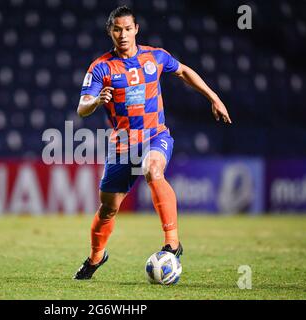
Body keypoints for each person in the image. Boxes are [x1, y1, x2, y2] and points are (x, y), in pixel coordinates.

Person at [74, 6, 232, 280]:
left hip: (155, 136)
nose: (122, 34)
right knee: (109, 207)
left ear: (136, 29)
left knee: (152, 169)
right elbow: (82, 108)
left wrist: (213, 97)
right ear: (110, 32)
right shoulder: (101, 67)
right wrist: (97, 101)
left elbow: (183, 72)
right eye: (116, 29)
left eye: (127, 28)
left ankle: (172, 242)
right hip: (123, 145)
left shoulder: (155, 57)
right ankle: (96, 257)